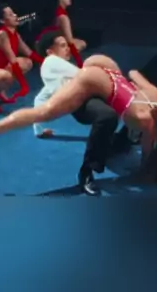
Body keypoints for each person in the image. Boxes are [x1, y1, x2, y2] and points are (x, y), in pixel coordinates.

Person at [0, 54, 157, 188]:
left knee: (121, 122)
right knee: (44, 112)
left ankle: (116, 142)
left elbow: (134, 73)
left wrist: (128, 88)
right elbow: (146, 160)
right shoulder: (146, 122)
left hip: (107, 68)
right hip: (91, 79)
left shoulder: (155, 95)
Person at [33, 31, 126, 196]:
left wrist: (38, 130)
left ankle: (116, 142)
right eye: (62, 46)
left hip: (88, 95)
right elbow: (84, 75)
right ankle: (86, 171)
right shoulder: (51, 61)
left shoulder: (53, 69)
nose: (67, 48)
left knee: (123, 107)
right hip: (79, 102)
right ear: (50, 51)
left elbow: (41, 97)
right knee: (108, 115)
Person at [36, 0, 86, 67]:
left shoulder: (57, 11)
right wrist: (80, 64)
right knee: (80, 44)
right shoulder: (62, 16)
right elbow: (70, 42)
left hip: (43, 43)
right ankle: (57, 61)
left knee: (79, 42)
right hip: (44, 45)